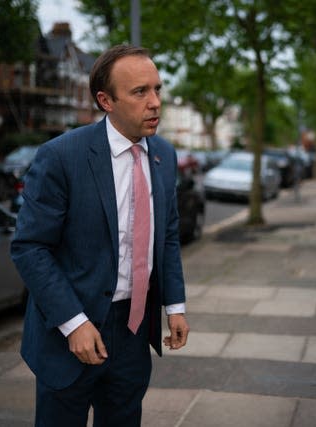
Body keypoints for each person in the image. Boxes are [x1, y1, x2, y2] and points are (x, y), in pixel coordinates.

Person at [11, 45, 190, 427]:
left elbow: (168, 235)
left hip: (134, 329)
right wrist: (73, 322)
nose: (156, 102)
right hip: (70, 331)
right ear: (105, 100)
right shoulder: (61, 156)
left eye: (157, 89)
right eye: (140, 92)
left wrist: (174, 305)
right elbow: (30, 248)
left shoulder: (164, 154)